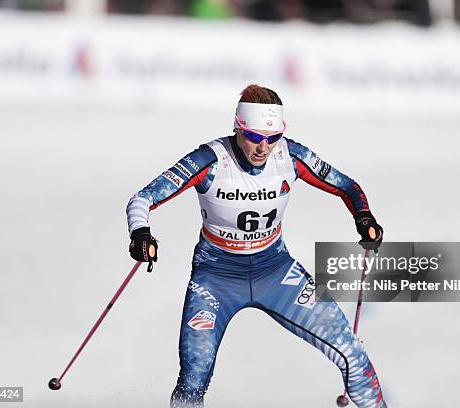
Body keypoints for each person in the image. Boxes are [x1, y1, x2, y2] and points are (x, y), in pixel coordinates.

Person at [126, 84, 386, 408]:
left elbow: (347, 185)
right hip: (215, 279)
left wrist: (364, 216)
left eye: (272, 137)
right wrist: (140, 233)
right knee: (193, 377)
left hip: (275, 272)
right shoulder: (209, 160)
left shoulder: (290, 155)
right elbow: (142, 198)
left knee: (352, 352)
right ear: (238, 126)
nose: (263, 148)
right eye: (253, 137)